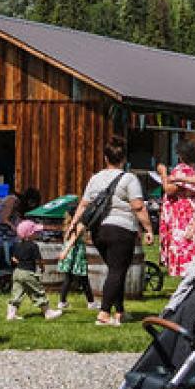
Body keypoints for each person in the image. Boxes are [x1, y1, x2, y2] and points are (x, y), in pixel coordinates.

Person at [81, 136, 152, 327]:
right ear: (124, 159)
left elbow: (84, 205)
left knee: (115, 270)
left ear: (106, 158)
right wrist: (148, 229)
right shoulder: (129, 179)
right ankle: (104, 314)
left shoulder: (95, 178)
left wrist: (74, 228)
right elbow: (138, 206)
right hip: (121, 230)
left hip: (98, 232)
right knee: (117, 271)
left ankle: (119, 312)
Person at [157, 146, 195, 277]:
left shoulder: (182, 169)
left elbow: (169, 189)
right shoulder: (193, 170)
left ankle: (186, 277)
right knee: (190, 244)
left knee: (183, 244)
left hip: (182, 213)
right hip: (190, 209)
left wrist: (163, 173)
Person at [48, 202, 93, 318]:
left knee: (69, 278)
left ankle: (62, 302)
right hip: (75, 254)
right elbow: (73, 239)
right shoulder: (78, 224)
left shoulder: (68, 224)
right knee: (83, 278)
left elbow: (69, 239)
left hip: (70, 254)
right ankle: (91, 303)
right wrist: (65, 252)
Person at [7, 219, 49, 320]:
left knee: (17, 293)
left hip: (17, 272)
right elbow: (38, 259)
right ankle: (47, 312)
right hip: (28, 273)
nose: (37, 234)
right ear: (29, 234)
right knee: (37, 291)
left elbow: (13, 259)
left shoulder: (16, 245)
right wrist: (42, 267)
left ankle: (11, 314)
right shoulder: (34, 246)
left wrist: (20, 262)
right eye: (35, 232)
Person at [0, 183, 22, 273]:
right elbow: (4, 219)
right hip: (0, 235)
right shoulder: (12, 199)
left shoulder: (10, 200)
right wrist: (16, 229)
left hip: (1, 234)